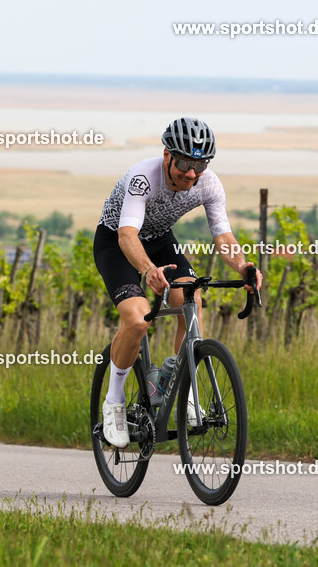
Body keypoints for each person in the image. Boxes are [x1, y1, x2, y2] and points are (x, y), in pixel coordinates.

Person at [93, 117, 262, 448]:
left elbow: (223, 236)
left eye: (198, 163)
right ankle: (113, 401)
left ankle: (182, 389)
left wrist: (243, 266)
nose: (190, 172)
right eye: (184, 162)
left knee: (191, 301)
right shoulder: (143, 177)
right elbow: (127, 234)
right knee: (138, 318)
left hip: (159, 241)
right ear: (167, 155)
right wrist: (147, 269)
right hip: (116, 242)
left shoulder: (209, 183)